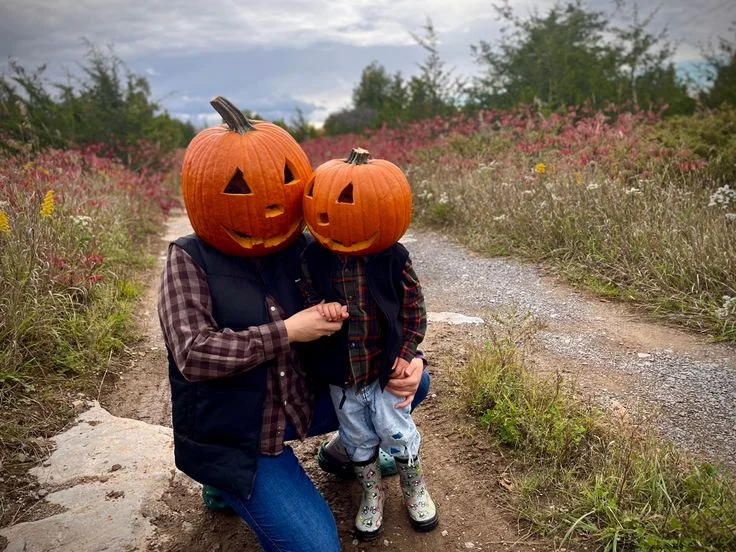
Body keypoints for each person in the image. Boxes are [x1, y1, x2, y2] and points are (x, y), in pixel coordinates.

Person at [158, 96, 429, 552]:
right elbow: (193, 353)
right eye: (241, 188)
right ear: (199, 189)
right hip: (239, 429)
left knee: (406, 385)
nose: (265, 207)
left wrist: (412, 358)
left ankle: (345, 452)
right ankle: (223, 478)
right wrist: (287, 331)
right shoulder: (189, 258)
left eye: (285, 179)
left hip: (301, 401)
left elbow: (370, 313)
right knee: (316, 547)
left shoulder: (310, 246)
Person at [299, 151, 439, 540]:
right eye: (332, 206)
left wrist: (409, 352)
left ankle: (413, 485)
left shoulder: (393, 257)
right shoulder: (314, 255)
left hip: (382, 369)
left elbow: (414, 307)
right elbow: (306, 296)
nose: (344, 220)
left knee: (397, 429)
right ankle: (372, 492)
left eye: (358, 206)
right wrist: (318, 306)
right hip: (341, 375)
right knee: (357, 435)